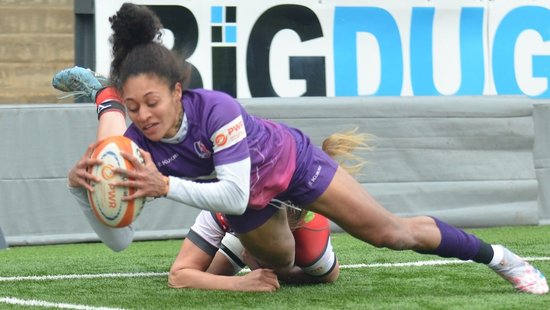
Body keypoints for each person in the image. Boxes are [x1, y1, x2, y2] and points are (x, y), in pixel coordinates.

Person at [57, 2, 548, 295]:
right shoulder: (135, 141)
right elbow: (120, 240)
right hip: (248, 203)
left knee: (390, 234)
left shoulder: (218, 108)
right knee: (284, 267)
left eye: (153, 103)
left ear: (179, 91)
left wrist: (165, 185)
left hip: (288, 164)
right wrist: (84, 195)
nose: (145, 117)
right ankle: (104, 94)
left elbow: (227, 193)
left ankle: (500, 258)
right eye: (133, 106)